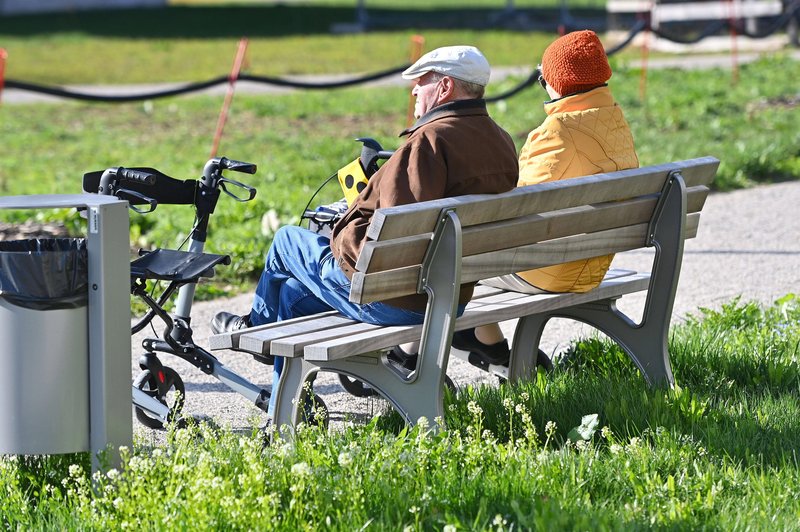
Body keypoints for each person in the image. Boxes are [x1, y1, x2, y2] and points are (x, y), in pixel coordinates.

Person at [211, 45, 519, 420]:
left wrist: (341, 234)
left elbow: (391, 242)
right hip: (452, 291)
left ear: (445, 87)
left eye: (421, 83)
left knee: (287, 240)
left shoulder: (428, 143)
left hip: (398, 296)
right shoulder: (501, 141)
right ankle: (287, 407)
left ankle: (257, 331)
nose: (414, 91)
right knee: (291, 295)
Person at [450, 30, 640, 368]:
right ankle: (486, 341)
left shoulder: (558, 132)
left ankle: (410, 356)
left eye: (543, 78)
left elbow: (516, 206)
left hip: (552, 268)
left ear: (559, 82)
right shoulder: (614, 121)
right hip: (594, 260)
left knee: (448, 257)